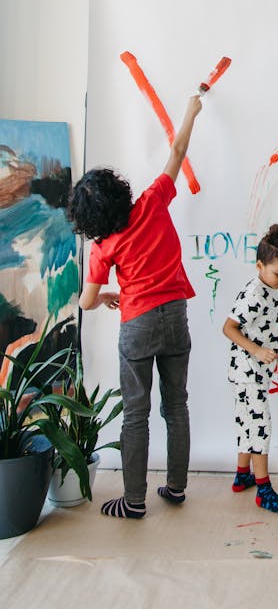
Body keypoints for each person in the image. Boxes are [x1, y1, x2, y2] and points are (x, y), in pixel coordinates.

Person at [68, 95, 203, 519]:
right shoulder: (151, 202)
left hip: (137, 325)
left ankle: (135, 501)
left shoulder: (103, 247)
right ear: (119, 192)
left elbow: (87, 302)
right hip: (176, 315)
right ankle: (177, 488)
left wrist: (109, 294)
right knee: (176, 405)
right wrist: (191, 112)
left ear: (88, 220)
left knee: (136, 413)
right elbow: (177, 152)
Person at [222, 222, 278, 513]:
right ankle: (264, 490)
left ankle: (242, 475)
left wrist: (274, 354)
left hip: (254, 369)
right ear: (259, 265)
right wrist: (258, 351)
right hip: (246, 371)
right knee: (261, 427)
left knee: (247, 421)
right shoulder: (255, 293)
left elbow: (264, 330)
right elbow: (229, 328)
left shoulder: (270, 289)